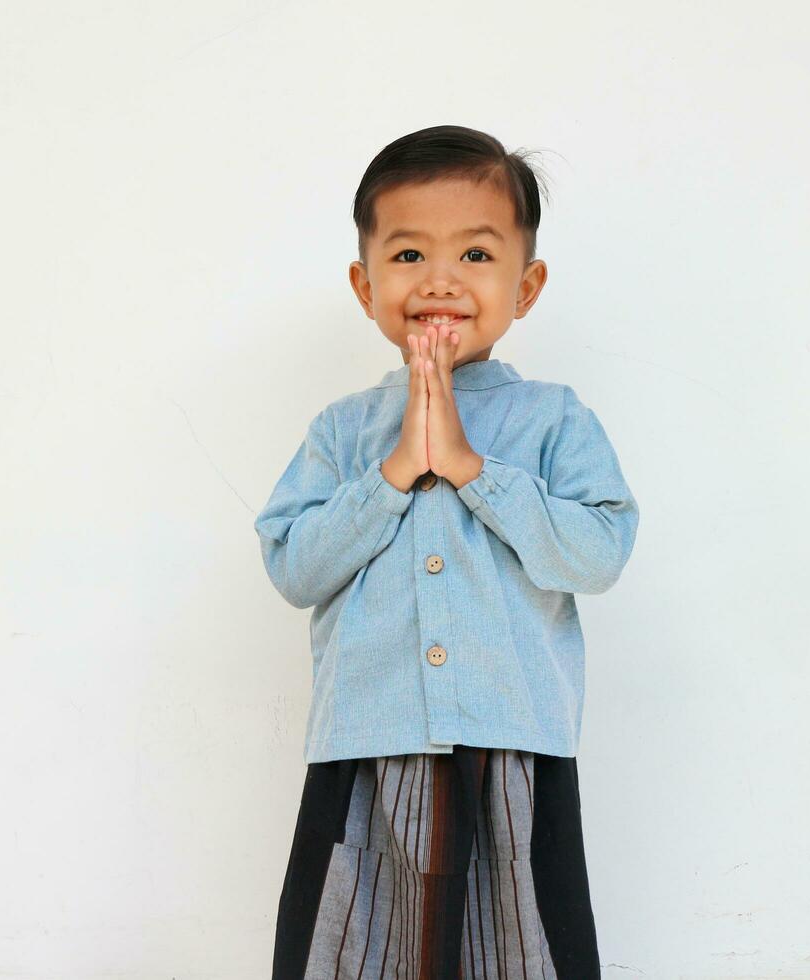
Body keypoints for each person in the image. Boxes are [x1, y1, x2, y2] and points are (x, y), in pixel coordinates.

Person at [253, 124, 640, 979]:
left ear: (525, 285)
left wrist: (470, 468)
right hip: (365, 747)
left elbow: (600, 551)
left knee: (520, 950)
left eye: (474, 254)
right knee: (353, 949)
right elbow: (293, 564)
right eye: (407, 256)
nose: (439, 281)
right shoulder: (345, 431)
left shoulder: (553, 420)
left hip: (513, 751)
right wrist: (394, 472)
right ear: (364, 284)